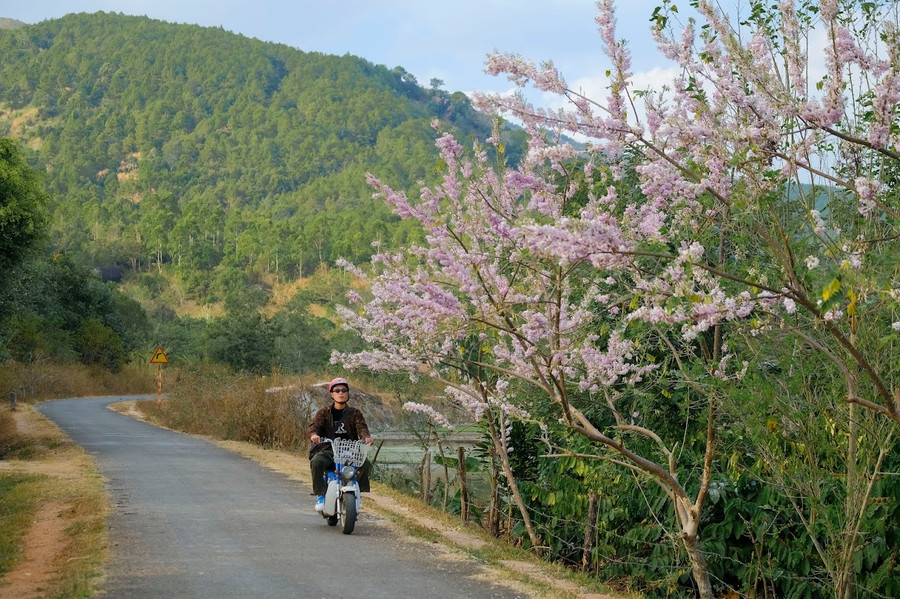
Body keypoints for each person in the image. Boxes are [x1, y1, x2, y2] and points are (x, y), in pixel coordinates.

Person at [308, 377, 374, 512]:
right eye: (337, 390)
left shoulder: (355, 413)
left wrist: (366, 437)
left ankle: (357, 493)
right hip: (329, 450)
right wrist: (314, 435)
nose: (341, 393)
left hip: (350, 450)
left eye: (344, 390)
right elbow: (314, 426)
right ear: (331, 394)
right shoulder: (324, 412)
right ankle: (320, 494)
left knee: (365, 463)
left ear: (348, 393)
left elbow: (361, 428)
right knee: (317, 461)